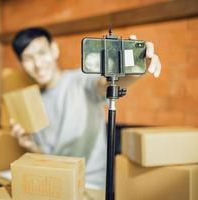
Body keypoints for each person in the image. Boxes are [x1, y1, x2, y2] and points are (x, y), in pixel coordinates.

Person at [9, 27, 161, 189]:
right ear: (21, 63)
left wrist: (136, 69)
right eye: (28, 58)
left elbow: (105, 85)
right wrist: (30, 145)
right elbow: (47, 158)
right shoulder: (34, 102)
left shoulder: (81, 80)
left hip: (90, 184)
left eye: (42, 53)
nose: (38, 64)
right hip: (55, 182)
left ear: (54, 50)